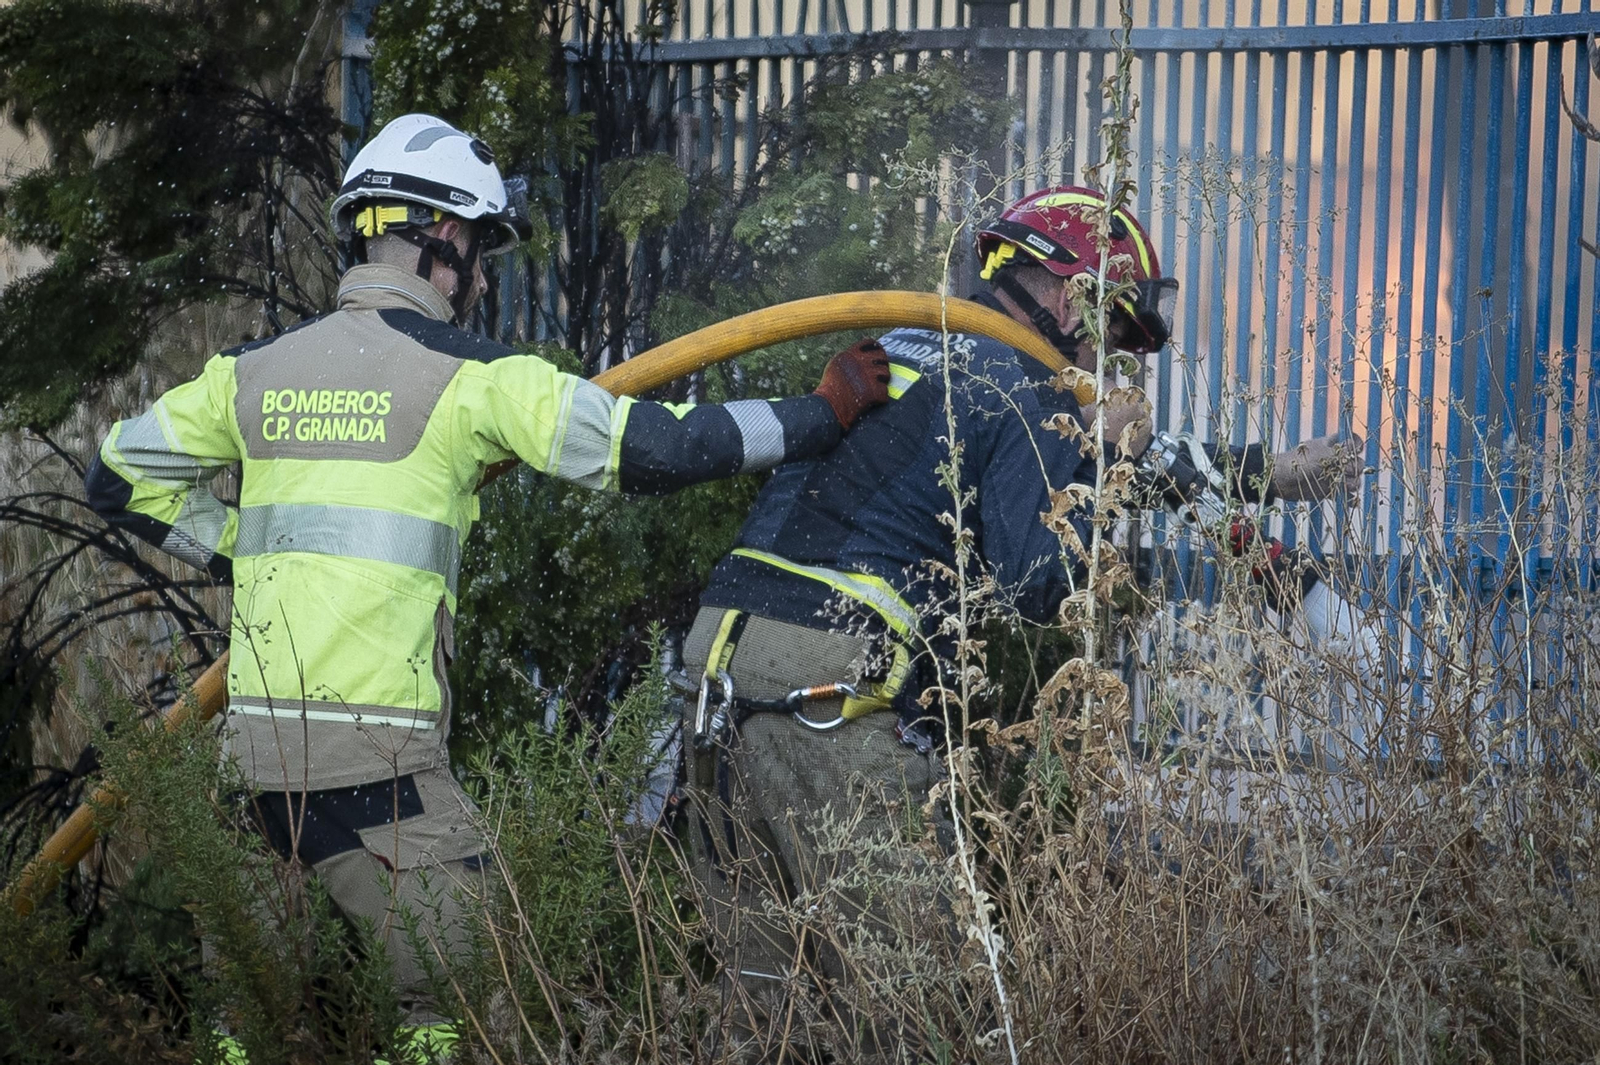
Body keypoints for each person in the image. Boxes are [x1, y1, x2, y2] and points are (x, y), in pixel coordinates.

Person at [82, 113, 891, 1056]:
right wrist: (821, 412)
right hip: (382, 782)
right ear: (447, 240)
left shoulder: (249, 373)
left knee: (251, 1024)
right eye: (478, 252)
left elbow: (115, 477)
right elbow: (657, 446)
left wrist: (242, 550)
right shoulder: (474, 377)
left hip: (250, 771)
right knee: (466, 999)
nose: (477, 279)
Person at [675, 185, 1362, 1062]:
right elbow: (1045, 585)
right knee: (922, 1009)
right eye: (1105, 321)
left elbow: (1035, 471)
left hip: (717, 674)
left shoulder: (902, 347)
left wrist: (1261, 473)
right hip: (827, 693)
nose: (1106, 350)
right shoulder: (1019, 379)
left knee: (764, 1015)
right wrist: (1101, 465)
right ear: (1058, 291)